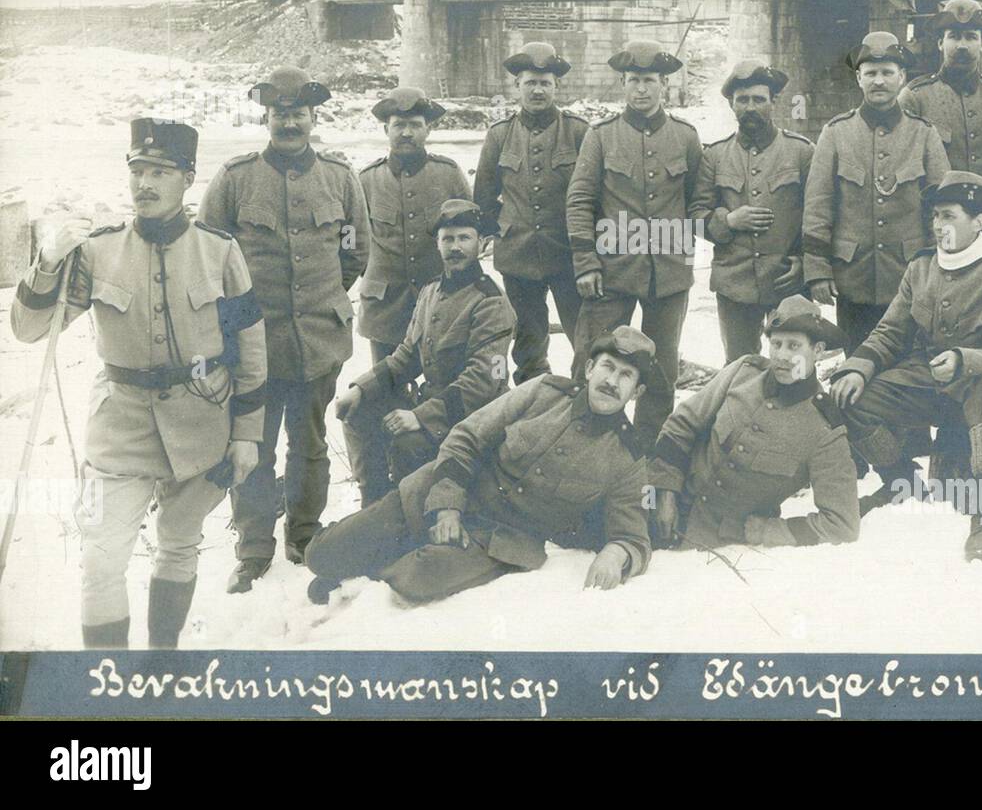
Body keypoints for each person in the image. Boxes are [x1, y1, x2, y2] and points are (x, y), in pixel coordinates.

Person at [11, 119, 267, 647]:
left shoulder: (220, 252)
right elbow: (31, 329)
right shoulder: (97, 251)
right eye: (137, 171)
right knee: (101, 556)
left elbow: (249, 349)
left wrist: (247, 434)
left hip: (202, 421)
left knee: (178, 542)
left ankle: (163, 660)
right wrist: (47, 263)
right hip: (120, 427)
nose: (144, 184)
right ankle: (109, 678)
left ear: (188, 179)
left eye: (160, 172)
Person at [304, 326, 656, 605]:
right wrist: (446, 508)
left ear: (636, 393)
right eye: (608, 367)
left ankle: (366, 570)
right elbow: (466, 437)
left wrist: (617, 554)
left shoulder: (627, 458)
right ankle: (359, 552)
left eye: (626, 376)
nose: (612, 381)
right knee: (320, 555)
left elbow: (633, 536)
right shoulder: (544, 391)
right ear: (591, 368)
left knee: (419, 576)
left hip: (498, 541)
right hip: (443, 494)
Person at [199, 66, 370, 591]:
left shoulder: (340, 177)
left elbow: (354, 252)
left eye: (299, 114)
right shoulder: (234, 178)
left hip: (318, 339)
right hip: (255, 345)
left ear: (314, 118)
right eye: (280, 115)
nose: (289, 123)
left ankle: (304, 534)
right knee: (252, 447)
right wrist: (233, 334)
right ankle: (252, 550)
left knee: (311, 442)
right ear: (266, 118)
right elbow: (209, 258)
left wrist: (320, 299)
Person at [829, 171, 982, 562]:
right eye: (935, 217)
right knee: (851, 399)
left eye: (949, 216)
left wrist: (970, 359)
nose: (938, 226)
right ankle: (901, 481)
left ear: (978, 222)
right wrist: (858, 367)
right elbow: (890, 332)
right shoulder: (921, 267)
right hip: (930, 378)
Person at [335, 199, 515, 507]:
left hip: (474, 420)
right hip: (435, 408)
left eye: (464, 238)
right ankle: (375, 506)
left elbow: (482, 384)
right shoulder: (431, 291)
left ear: (482, 243)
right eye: (448, 239)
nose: (455, 247)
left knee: (408, 442)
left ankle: (411, 514)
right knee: (356, 411)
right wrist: (360, 389)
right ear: (438, 244)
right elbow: (406, 357)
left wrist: (419, 417)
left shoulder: (491, 302)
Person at [566, 39, 703, 443]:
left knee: (661, 371)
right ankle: (582, 441)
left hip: (669, 274)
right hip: (612, 271)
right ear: (623, 84)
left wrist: (684, 245)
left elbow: (697, 201)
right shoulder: (601, 137)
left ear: (664, 84)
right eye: (633, 81)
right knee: (591, 361)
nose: (641, 90)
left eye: (649, 81)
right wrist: (586, 261)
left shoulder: (686, 137)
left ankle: (647, 453)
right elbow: (579, 201)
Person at [648, 295, 858, 550]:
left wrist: (768, 532)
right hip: (663, 509)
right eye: (776, 344)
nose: (781, 355)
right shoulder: (743, 372)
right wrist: (665, 491)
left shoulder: (824, 427)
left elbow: (842, 524)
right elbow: (681, 424)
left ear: (817, 351)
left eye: (793, 346)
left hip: (722, 548)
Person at [803, 31, 950, 355]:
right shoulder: (835, 133)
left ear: (902, 78)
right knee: (857, 364)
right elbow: (818, 207)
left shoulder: (924, 134)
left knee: (907, 368)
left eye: (887, 73)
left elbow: (942, 212)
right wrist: (817, 271)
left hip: (909, 279)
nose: (879, 81)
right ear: (859, 78)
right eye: (871, 73)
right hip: (852, 281)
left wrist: (939, 271)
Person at [474, 42, 587, 383]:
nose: (538, 90)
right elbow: (484, 196)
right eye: (530, 83)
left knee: (585, 336)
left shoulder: (579, 132)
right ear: (517, 86)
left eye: (545, 83)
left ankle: (584, 398)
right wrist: (500, 230)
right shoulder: (499, 135)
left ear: (557, 87)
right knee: (527, 339)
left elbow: (595, 196)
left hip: (568, 254)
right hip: (518, 257)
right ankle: (532, 402)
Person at [691, 60, 814, 363]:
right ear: (731, 104)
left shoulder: (802, 151)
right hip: (735, 283)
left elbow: (818, 215)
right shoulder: (715, 155)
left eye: (759, 99)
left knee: (795, 365)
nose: (750, 108)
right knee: (739, 367)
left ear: (774, 102)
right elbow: (694, 215)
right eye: (742, 100)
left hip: (787, 279)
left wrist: (806, 262)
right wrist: (728, 220)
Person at [357, 87, 470, 365]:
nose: (407, 133)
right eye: (399, 125)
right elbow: (350, 237)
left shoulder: (449, 174)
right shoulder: (366, 179)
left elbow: (470, 234)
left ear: (427, 130)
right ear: (386, 129)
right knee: (384, 389)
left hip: (440, 303)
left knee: (440, 388)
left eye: (415, 125)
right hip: (384, 308)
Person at [898, 0, 982, 256]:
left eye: (971, 37)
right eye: (954, 36)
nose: (962, 45)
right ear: (941, 43)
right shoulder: (915, 97)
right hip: (939, 232)